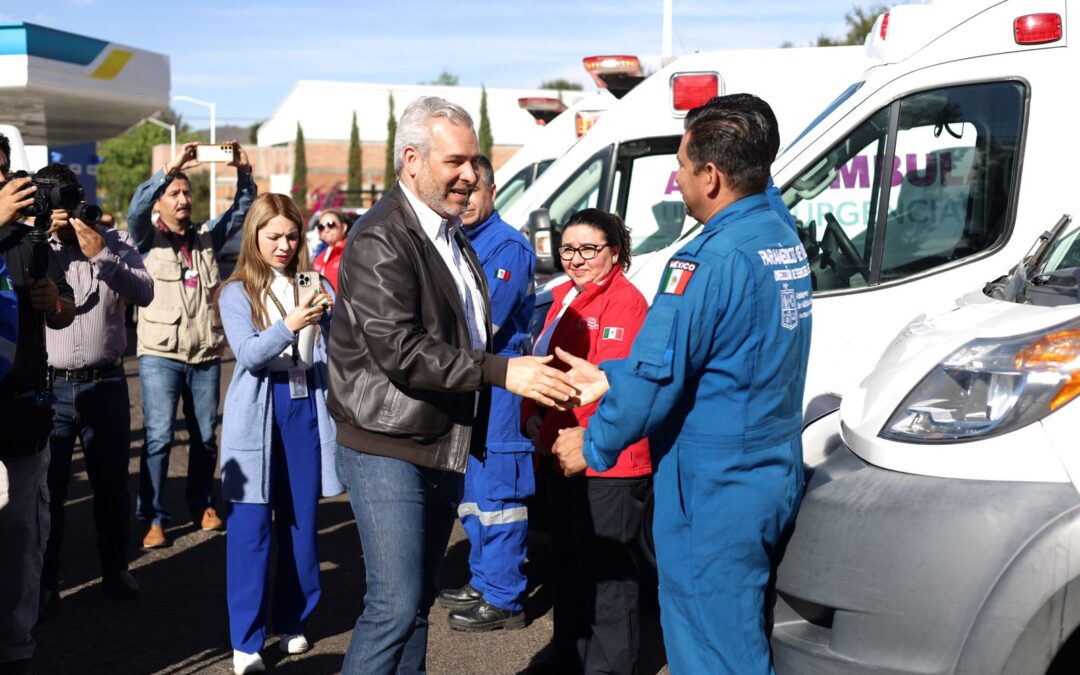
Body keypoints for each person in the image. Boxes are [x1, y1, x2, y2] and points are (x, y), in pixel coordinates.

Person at [551, 94, 814, 674]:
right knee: (740, 632)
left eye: (681, 164)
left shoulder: (705, 261)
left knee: (712, 652)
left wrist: (592, 444)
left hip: (712, 490)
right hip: (766, 470)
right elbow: (717, 356)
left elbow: (659, 375)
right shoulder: (778, 234)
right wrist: (609, 376)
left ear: (712, 176)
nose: (677, 177)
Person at [327, 96, 576, 675]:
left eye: (474, 161)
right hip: (385, 443)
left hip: (439, 440)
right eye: (455, 161)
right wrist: (500, 371)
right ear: (411, 160)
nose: (470, 174)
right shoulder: (380, 237)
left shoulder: (451, 234)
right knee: (391, 608)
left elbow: (466, 330)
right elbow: (399, 348)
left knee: (415, 607)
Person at [217, 193, 343, 674]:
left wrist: (330, 316)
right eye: (274, 236)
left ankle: (294, 619)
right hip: (257, 413)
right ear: (255, 236)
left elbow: (334, 351)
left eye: (292, 235)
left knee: (300, 526)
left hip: (304, 408)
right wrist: (290, 324)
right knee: (250, 532)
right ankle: (246, 642)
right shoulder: (237, 292)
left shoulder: (314, 282)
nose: (285, 245)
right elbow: (249, 355)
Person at [523, 208, 651, 674]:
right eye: (568, 250)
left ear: (614, 252)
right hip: (562, 454)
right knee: (570, 564)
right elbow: (539, 364)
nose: (576, 259)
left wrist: (580, 434)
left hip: (608, 460)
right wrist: (530, 416)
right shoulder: (561, 297)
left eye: (588, 249)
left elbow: (616, 386)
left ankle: (610, 667)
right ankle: (570, 655)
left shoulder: (625, 303)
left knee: (609, 576)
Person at [127, 140, 256, 548]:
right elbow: (135, 206)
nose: (183, 199)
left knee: (203, 439)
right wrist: (171, 167)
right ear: (159, 203)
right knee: (160, 438)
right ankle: (153, 518)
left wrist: (244, 170)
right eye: (174, 193)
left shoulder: (205, 237)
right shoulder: (146, 238)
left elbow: (241, 210)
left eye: (186, 192)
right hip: (159, 355)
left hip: (203, 355)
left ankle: (202, 504)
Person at [39, 163, 154, 617]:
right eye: (58, 200)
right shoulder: (36, 248)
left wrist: (101, 254)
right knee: (49, 491)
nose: (67, 208)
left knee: (111, 487)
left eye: (73, 196)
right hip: (52, 386)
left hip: (106, 384)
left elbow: (144, 292)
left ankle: (115, 567)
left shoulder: (116, 240)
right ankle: (47, 579)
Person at [437, 155, 537, 632]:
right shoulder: (455, 243)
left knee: (500, 492)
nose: (466, 199)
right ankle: (484, 579)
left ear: (492, 191)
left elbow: (480, 327)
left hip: (500, 385)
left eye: (474, 189)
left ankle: (505, 598)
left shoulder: (508, 247)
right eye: (459, 190)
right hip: (470, 384)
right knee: (474, 494)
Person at [0, 133, 75, 675]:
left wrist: (57, 307)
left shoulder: (29, 243)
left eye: (2, 171)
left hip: (22, 405)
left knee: (23, 531)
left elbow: (58, 314)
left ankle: (16, 643)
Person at [310, 208, 347, 292]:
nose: (326, 230)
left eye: (331, 224)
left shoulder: (351, 251)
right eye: (321, 227)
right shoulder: (318, 256)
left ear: (344, 227)